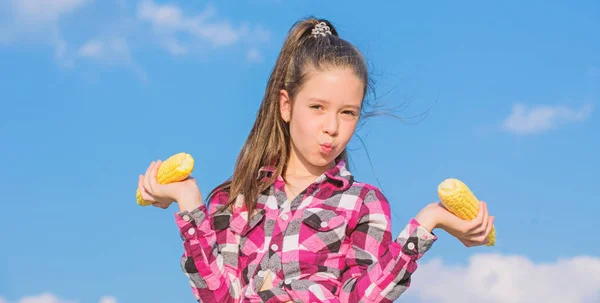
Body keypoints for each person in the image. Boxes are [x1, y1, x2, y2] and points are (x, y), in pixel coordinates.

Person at [137, 17, 495, 303]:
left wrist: (426, 222)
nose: (332, 128)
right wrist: (189, 204)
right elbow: (218, 297)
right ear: (286, 106)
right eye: (318, 107)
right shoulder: (234, 199)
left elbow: (362, 298)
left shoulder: (363, 205)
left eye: (348, 112)